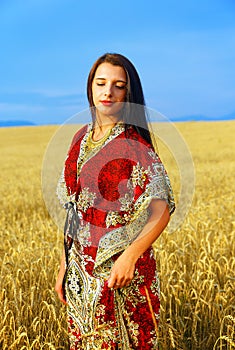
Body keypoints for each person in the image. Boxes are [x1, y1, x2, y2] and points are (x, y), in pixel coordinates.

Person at [55, 53, 175, 350]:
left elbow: (161, 211)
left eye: (118, 85)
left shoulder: (134, 143)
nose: (108, 92)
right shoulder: (80, 138)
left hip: (123, 274)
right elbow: (74, 210)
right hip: (82, 275)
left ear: (129, 93)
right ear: (91, 88)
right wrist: (64, 266)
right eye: (101, 83)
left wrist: (130, 257)